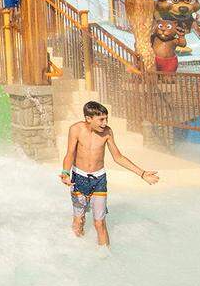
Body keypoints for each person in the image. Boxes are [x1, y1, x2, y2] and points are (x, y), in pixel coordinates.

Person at [60, 101, 158, 247]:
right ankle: (78, 251)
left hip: (99, 179)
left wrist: (142, 173)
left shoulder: (107, 132)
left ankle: (105, 257)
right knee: (78, 221)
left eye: (106, 119)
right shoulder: (76, 129)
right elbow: (70, 153)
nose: (105, 123)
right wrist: (65, 173)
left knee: (99, 223)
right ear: (89, 119)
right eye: (101, 119)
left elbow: (118, 157)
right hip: (78, 179)